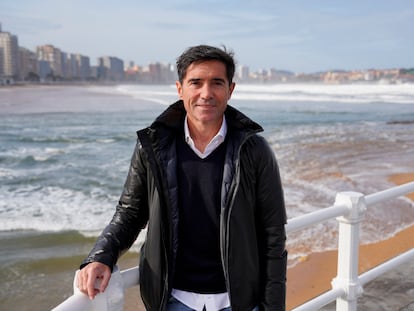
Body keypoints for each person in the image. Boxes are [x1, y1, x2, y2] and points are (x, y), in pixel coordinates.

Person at [77, 44, 287, 311]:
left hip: (239, 302)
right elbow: (130, 212)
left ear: (230, 90)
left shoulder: (254, 150)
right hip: (173, 300)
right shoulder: (152, 147)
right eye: (196, 83)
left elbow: (273, 237)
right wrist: (101, 256)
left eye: (217, 83)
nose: (206, 93)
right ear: (180, 89)